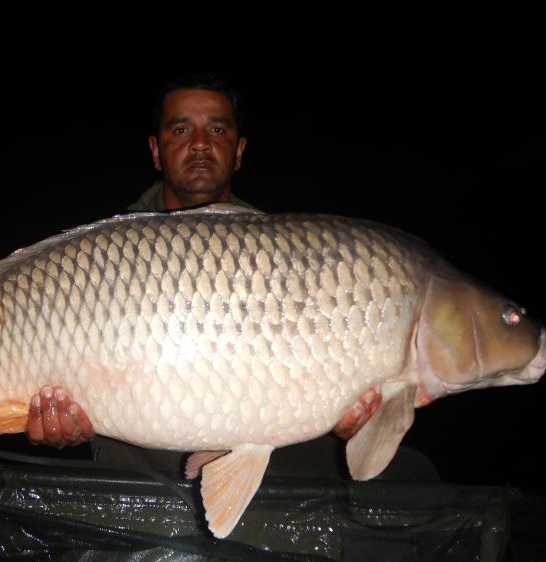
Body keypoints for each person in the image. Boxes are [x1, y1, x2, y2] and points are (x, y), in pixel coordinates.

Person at [23, 73, 439, 481]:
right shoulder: (103, 252)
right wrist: (62, 427)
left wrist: (350, 420)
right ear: (155, 150)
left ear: (238, 151)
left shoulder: (287, 254)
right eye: (181, 128)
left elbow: (303, 383)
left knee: (414, 475)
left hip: (254, 459)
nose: (200, 143)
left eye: (217, 129)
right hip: (133, 470)